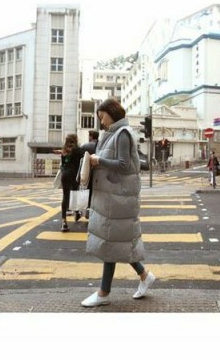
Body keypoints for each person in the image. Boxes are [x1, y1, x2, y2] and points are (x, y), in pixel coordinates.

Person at [81, 98, 155, 308]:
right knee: (116, 243)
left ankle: (103, 293)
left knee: (111, 243)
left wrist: (99, 160)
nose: (101, 121)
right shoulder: (113, 134)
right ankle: (144, 275)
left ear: (111, 113)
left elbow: (123, 165)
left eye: (102, 116)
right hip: (112, 197)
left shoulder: (122, 134)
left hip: (118, 198)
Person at [57, 134, 83, 232]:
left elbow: (63, 164)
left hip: (65, 175)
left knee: (65, 197)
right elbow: (82, 163)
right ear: (75, 140)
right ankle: (77, 212)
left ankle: (64, 221)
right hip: (74, 176)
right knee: (75, 194)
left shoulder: (64, 150)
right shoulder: (78, 150)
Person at [79, 130, 100, 217]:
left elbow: (80, 159)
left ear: (91, 136)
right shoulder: (101, 145)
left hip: (87, 172)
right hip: (99, 172)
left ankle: (88, 210)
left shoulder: (85, 146)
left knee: (88, 190)